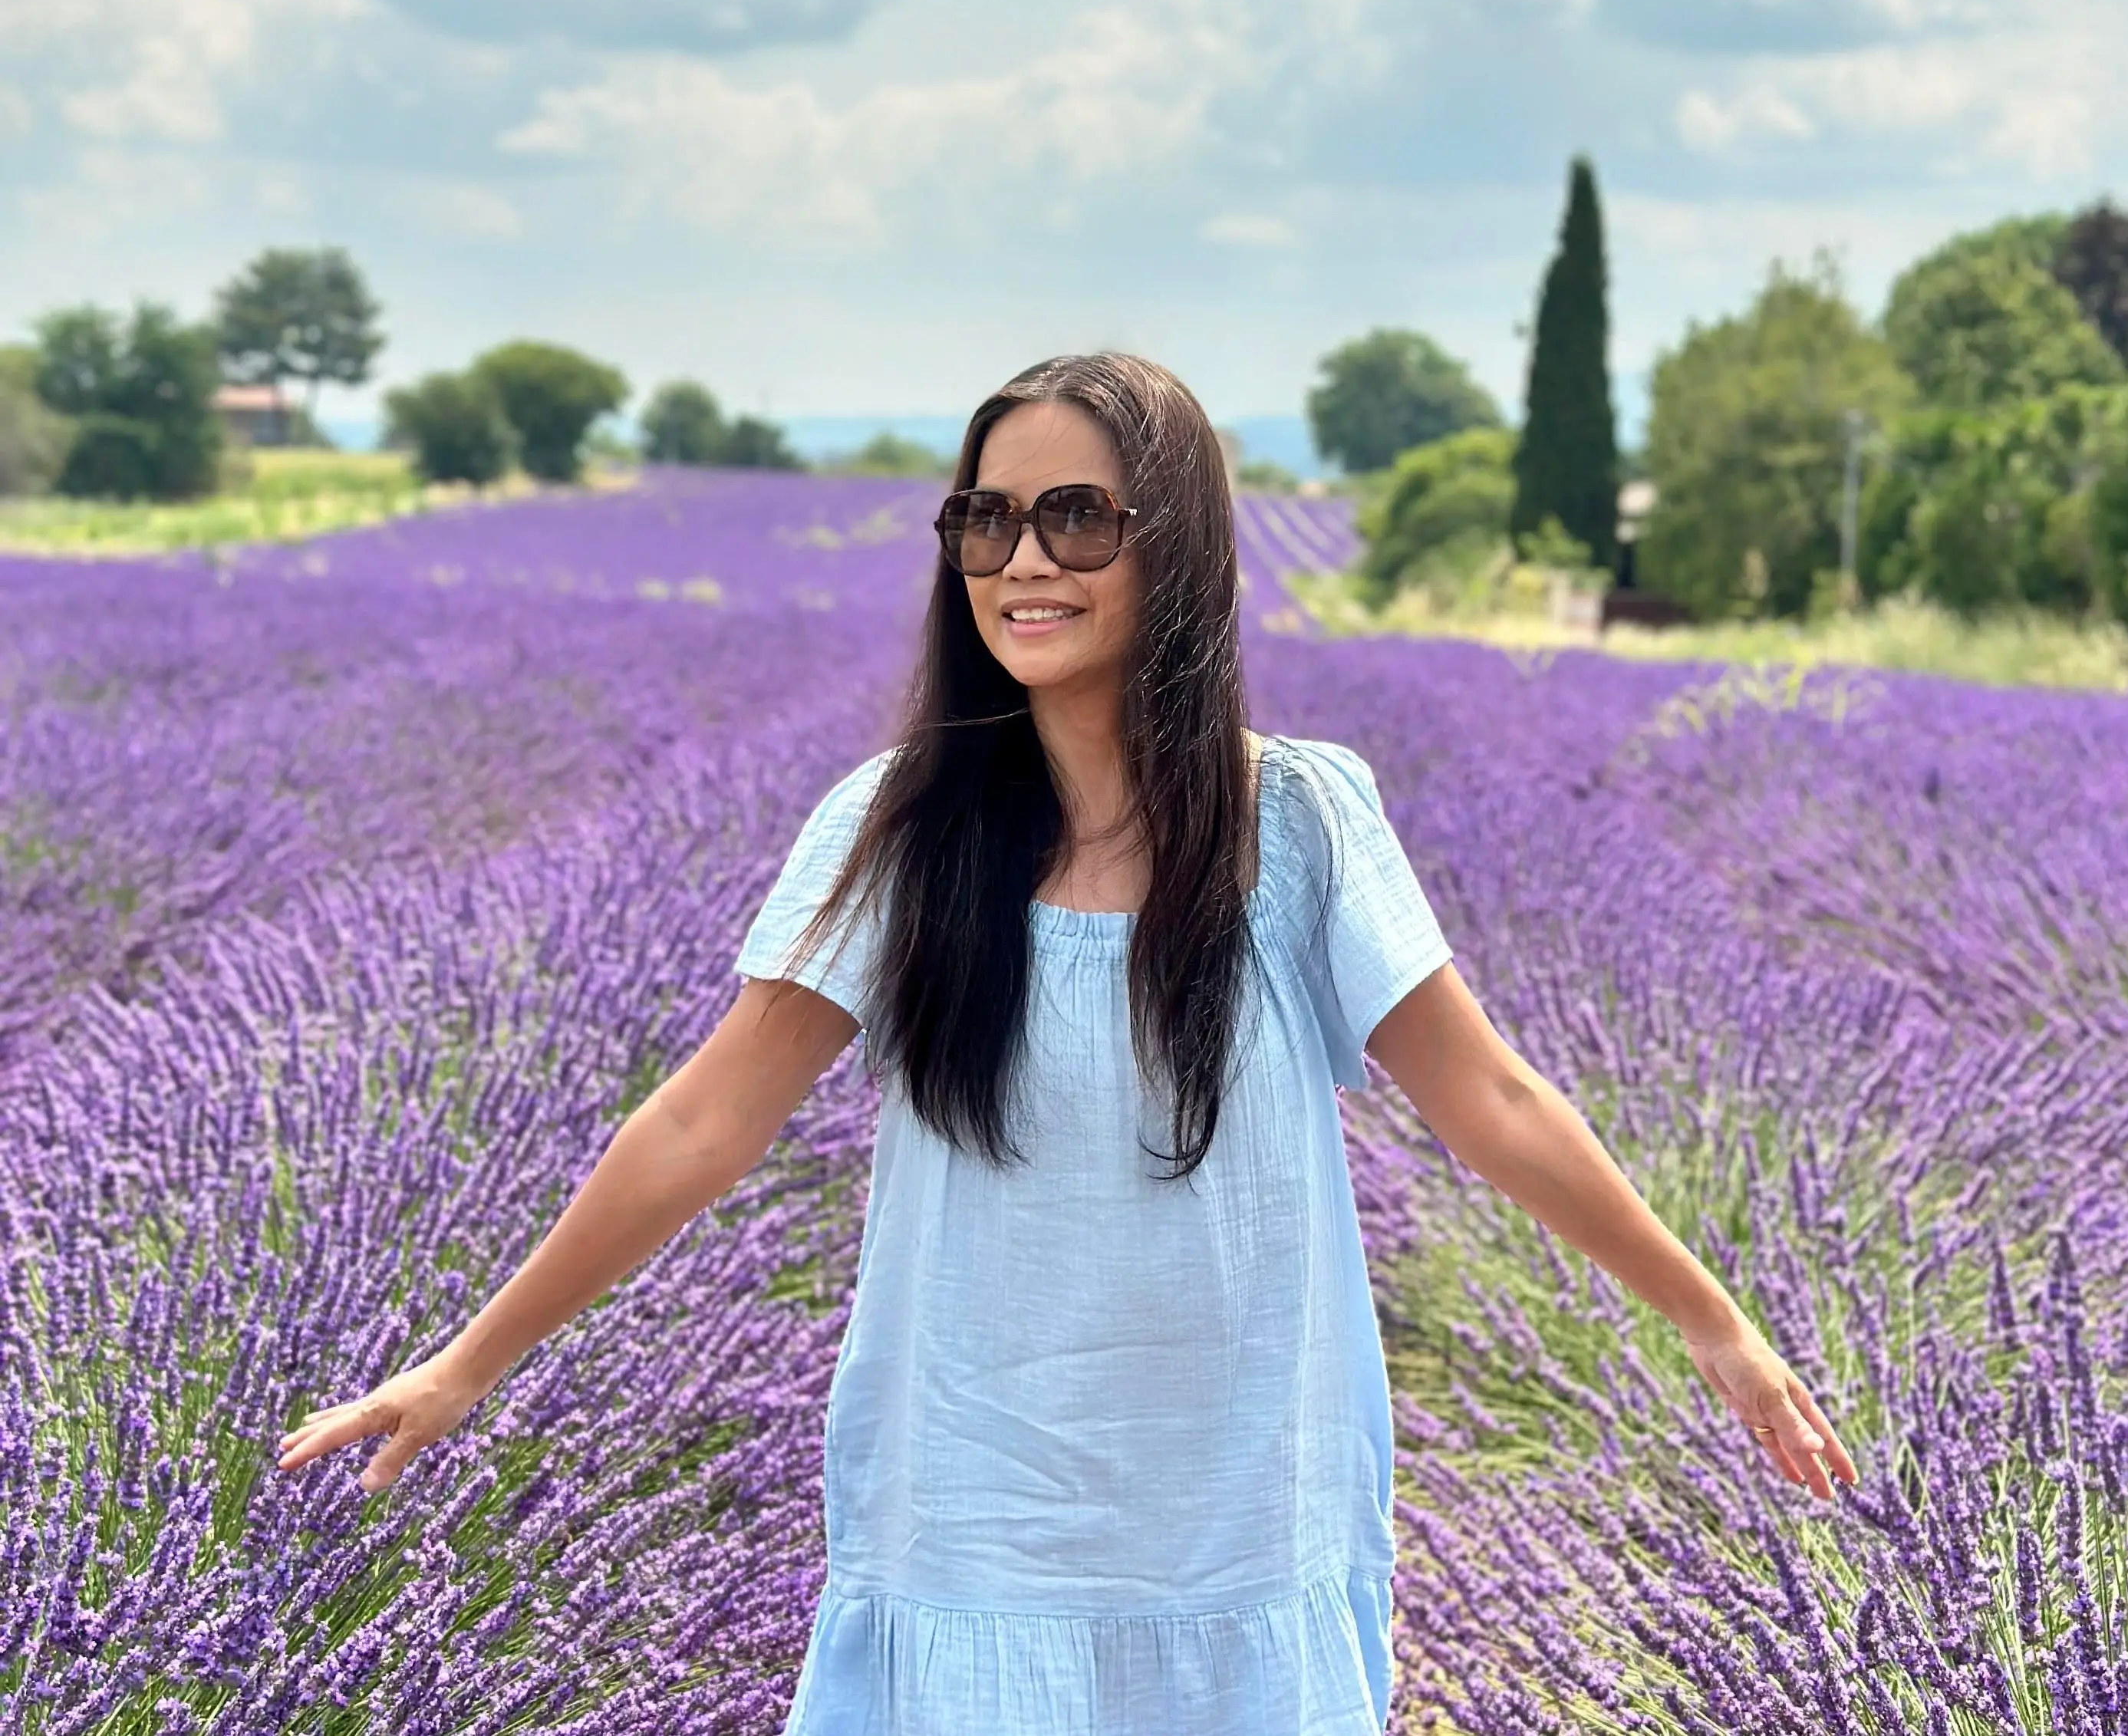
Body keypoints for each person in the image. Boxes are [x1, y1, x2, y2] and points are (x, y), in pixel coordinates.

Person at [275, 351, 1858, 1733]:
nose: (1021, 557)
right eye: (985, 518)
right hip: (975, 1526)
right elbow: (700, 1125)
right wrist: (465, 1367)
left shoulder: (1296, 822)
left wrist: (1713, 1325)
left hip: (1240, 1526)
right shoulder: (897, 832)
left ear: (1178, 547)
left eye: (1075, 516)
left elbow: (1493, 1101)